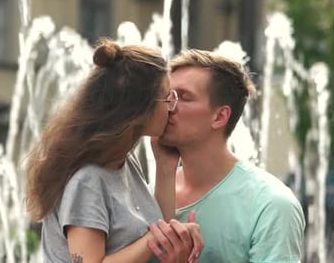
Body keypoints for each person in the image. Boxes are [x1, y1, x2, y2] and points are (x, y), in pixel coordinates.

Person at [25, 39, 203, 263]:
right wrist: (155, 238)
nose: (173, 107)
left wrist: (165, 169)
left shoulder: (124, 160)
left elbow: (158, 245)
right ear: (139, 108)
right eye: (168, 98)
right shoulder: (87, 180)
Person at [159, 49, 306, 262]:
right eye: (167, 96)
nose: (168, 107)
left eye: (183, 97)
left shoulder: (271, 205)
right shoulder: (149, 193)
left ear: (219, 116)